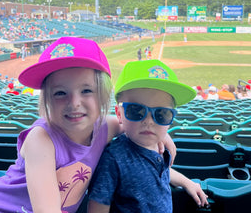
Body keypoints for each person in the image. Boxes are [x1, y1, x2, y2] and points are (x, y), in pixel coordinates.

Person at [0, 37, 175, 213]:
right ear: (47, 100)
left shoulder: (105, 127)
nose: (74, 103)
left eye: (86, 90)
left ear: (102, 94)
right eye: (60, 93)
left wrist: (162, 135)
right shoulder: (40, 140)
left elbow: (132, 125)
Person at [88, 59, 209, 212]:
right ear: (119, 114)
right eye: (136, 111)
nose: (149, 121)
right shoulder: (113, 159)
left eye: (162, 114)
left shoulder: (159, 147)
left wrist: (187, 182)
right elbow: (98, 206)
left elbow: (159, 172)